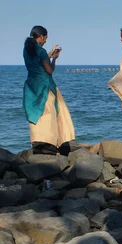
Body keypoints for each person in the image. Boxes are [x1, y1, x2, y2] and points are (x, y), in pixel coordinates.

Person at [23, 25, 75, 155]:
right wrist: (54, 59)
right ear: (41, 36)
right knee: (50, 113)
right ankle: (51, 142)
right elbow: (49, 70)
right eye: (45, 38)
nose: (45, 41)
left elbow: (38, 61)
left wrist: (49, 54)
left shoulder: (26, 49)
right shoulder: (41, 51)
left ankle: (37, 141)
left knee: (37, 113)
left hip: (31, 85)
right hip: (45, 85)